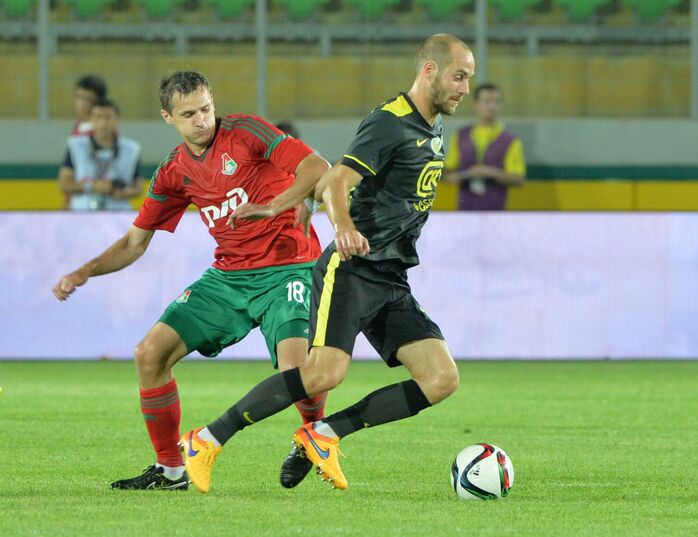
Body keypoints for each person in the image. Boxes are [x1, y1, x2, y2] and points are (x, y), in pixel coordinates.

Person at [179, 33, 475, 493]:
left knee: (440, 378)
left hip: (391, 278)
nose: (465, 88)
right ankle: (206, 439)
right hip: (352, 267)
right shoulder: (390, 121)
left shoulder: (432, 130)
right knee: (322, 374)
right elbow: (336, 180)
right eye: (459, 76)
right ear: (430, 70)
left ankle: (324, 434)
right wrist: (343, 227)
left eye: (469, 79)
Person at [52, 71, 331, 490]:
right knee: (149, 354)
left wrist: (272, 207)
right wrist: (83, 271)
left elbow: (317, 166)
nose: (201, 120)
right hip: (229, 277)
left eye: (205, 109)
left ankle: (312, 436)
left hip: (290, 266)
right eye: (189, 114)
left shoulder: (247, 132)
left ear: (212, 102)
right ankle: (170, 470)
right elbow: (134, 243)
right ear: (168, 117)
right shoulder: (174, 171)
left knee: (298, 373)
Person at [443, 82, 525, 210]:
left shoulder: (511, 141)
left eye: (496, 102)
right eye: (487, 101)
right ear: (476, 105)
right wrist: (466, 175)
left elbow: (518, 179)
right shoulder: (460, 136)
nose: (492, 107)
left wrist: (489, 172)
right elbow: (448, 174)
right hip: (464, 213)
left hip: (495, 213)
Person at [58, 98, 144, 211]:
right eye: (98, 117)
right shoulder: (76, 146)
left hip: (118, 216)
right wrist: (92, 186)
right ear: (90, 120)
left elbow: (138, 187)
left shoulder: (131, 149)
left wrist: (126, 192)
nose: (103, 123)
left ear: (118, 119)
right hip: (81, 216)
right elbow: (64, 184)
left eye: (108, 117)